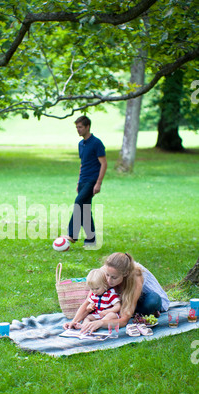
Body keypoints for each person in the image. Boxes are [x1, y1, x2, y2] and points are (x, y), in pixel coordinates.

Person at [80, 252, 170, 334]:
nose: (108, 280)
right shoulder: (107, 270)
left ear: (125, 273)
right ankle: (126, 311)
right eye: (107, 275)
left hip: (143, 299)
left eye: (114, 277)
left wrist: (101, 322)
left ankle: (139, 312)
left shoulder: (136, 276)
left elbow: (123, 321)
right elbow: (88, 301)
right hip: (121, 299)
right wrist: (74, 321)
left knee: (152, 300)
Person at [66, 116, 107, 249]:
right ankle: (91, 240)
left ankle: (72, 234)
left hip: (92, 180)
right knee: (85, 210)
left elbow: (104, 164)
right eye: (77, 127)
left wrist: (98, 183)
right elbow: (82, 164)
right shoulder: (81, 144)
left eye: (80, 127)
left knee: (78, 203)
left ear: (87, 127)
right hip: (83, 180)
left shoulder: (96, 143)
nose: (78, 130)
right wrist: (78, 182)